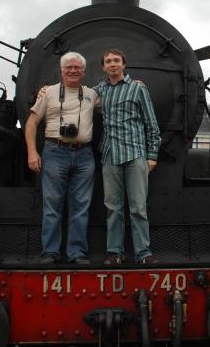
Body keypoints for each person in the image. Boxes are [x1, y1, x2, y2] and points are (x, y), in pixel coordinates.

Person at [25, 52, 100, 265]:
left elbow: (113, 105)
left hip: (84, 154)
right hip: (55, 152)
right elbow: (31, 123)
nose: (73, 70)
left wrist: (136, 82)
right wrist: (32, 152)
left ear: (84, 72)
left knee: (81, 207)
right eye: (69, 67)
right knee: (52, 205)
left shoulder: (91, 94)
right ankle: (50, 253)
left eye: (77, 67)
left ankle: (77, 253)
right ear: (62, 70)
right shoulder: (48, 93)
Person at [95, 49, 161, 265]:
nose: (112, 64)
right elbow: (77, 92)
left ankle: (143, 252)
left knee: (138, 208)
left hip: (135, 155)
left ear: (124, 65)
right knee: (113, 208)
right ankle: (115, 252)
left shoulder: (138, 88)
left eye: (116, 61)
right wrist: (46, 89)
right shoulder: (99, 90)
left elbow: (151, 123)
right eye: (108, 61)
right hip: (110, 155)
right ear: (103, 67)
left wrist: (152, 156)